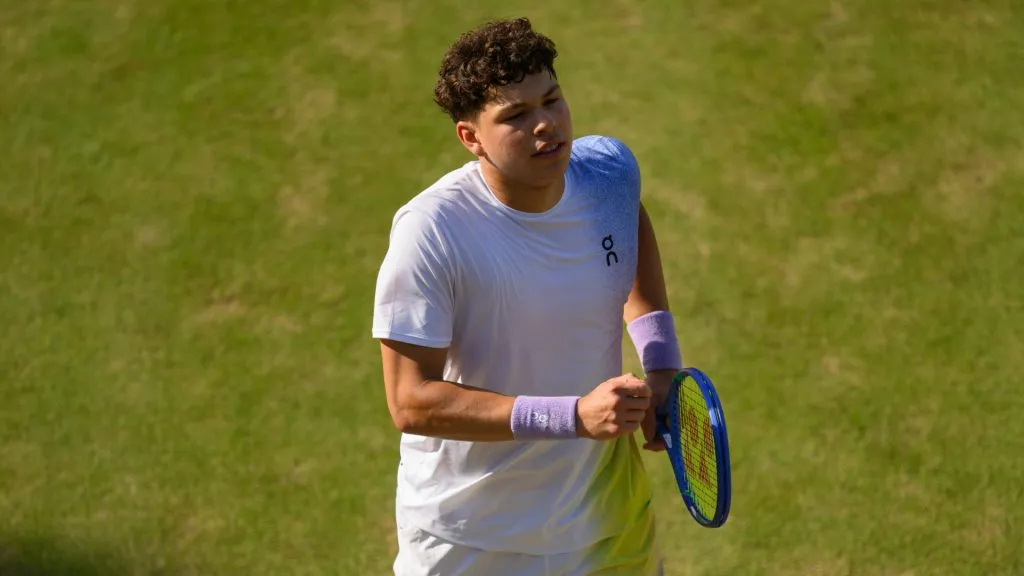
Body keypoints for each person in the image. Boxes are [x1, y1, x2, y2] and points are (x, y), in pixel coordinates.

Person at [371, 16, 683, 576]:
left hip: (603, 519)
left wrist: (660, 365)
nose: (546, 125)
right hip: (470, 537)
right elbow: (411, 401)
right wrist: (574, 416)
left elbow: (629, 228)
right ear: (471, 137)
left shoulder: (607, 175)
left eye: (552, 100)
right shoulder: (432, 232)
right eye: (515, 115)